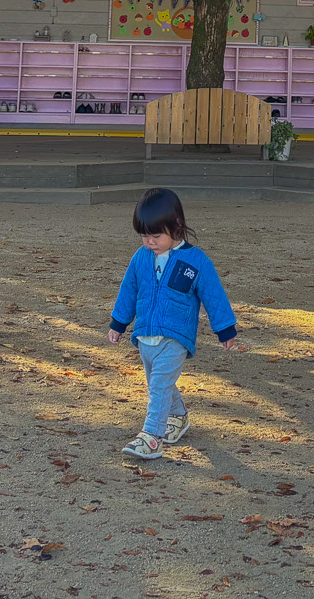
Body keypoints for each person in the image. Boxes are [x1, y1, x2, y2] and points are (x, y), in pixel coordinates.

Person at [106, 187, 244, 458]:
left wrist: (225, 328)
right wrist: (118, 322)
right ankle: (178, 416)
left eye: (156, 235)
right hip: (145, 335)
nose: (149, 242)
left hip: (176, 337)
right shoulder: (140, 258)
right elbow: (128, 291)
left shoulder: (196, 261)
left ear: (177, 226)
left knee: (158, 386)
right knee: (159, 384)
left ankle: (151, 436)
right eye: (144, 235)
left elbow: (213, 294)